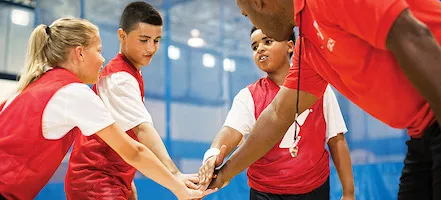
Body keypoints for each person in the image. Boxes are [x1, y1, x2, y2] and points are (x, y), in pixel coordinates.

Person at [210, 0, 441, 199]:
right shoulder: (308, 49)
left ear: (259, 2)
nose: (252, 22)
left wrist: (348, 192)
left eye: (246, 13)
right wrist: (223, 173)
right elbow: (278, 115)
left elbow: (412, 33)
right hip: (422, 133)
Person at [0, 18, 214, 200]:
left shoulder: (29, 87)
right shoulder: (74, 92)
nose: (103, 58)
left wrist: (127, 182)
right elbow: (134, 150)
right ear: (80, 53)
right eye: (99, 50)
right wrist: (179, 187)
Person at [198, 26, 354, 200]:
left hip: (314, 188)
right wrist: (213, 154)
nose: (260, 49)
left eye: (267, 41)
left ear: (290, 46)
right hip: (265, 192)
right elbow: (230, 131)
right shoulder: (248, 95)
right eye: (254, 47)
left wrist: (349, 193)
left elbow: (336, 139)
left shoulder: (320, 89)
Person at [64, 2, 201, 200]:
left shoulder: (129, 73)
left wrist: (128, 181)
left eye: (156, 40)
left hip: (106, 179)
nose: (151, 48)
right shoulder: (120, 78)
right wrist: (175, 174)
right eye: (144, 40)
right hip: (96, 182)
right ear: (122, 36)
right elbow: (142, 130)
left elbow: (119, 135)